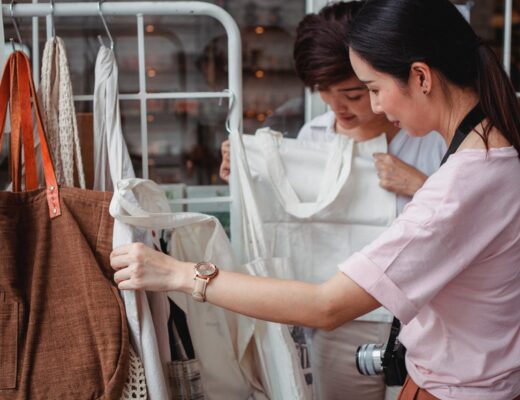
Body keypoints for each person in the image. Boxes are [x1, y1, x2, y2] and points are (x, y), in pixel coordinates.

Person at [111, 0, 520, 399]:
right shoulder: (492, 155)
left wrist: (181, 275)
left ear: (420, 77)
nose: (376, 106)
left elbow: (326, 305)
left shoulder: (463, 183)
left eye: (372, 89)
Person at [223, 3, 445, 399]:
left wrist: (421, 187)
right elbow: (289, 223)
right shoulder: (315, 137)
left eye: (355, 94)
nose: (336, 108)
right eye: (323, 95)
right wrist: (246, 175)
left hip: (425, 319)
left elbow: (475, 223)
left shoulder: (432, 139)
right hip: (340, 320)